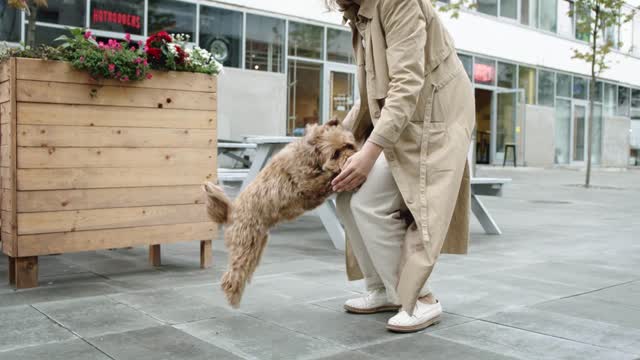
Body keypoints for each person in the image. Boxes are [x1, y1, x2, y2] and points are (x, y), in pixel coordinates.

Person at [328, 0, 475, 333]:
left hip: (435, 118)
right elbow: (370, 93)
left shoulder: (398, 2)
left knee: (369, 200)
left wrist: (368, 154)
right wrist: (338, 136)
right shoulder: (359, 14)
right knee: (348, 198)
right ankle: (382, 289)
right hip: (406, 118)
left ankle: (420, 299)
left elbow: (407, 83)